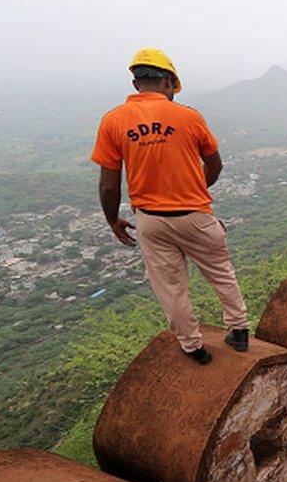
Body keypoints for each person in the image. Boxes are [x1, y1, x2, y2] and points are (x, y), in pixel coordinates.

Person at [91, 47, 249, 365]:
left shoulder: (113, 121)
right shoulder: (189, 117)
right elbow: (215, 165)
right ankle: (240, 331)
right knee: (221, 274)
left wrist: (112, 220)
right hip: (196, 215)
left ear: (137, 84)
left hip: (151, 221)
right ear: (168, 82)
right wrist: (192, 190)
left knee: (171, 287)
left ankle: (193, 346)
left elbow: (110, 184)